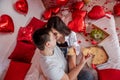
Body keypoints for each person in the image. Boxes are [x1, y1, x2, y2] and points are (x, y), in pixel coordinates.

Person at [46, 16, 97, 80]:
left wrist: (73, 77)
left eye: (55, 34)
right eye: (51, 34)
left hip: (68, 67)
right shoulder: (50, 40)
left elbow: (72, 63)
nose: (53, 37)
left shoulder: (71, 36)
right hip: (59, 69)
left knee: (88, 75)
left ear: (60, 29)